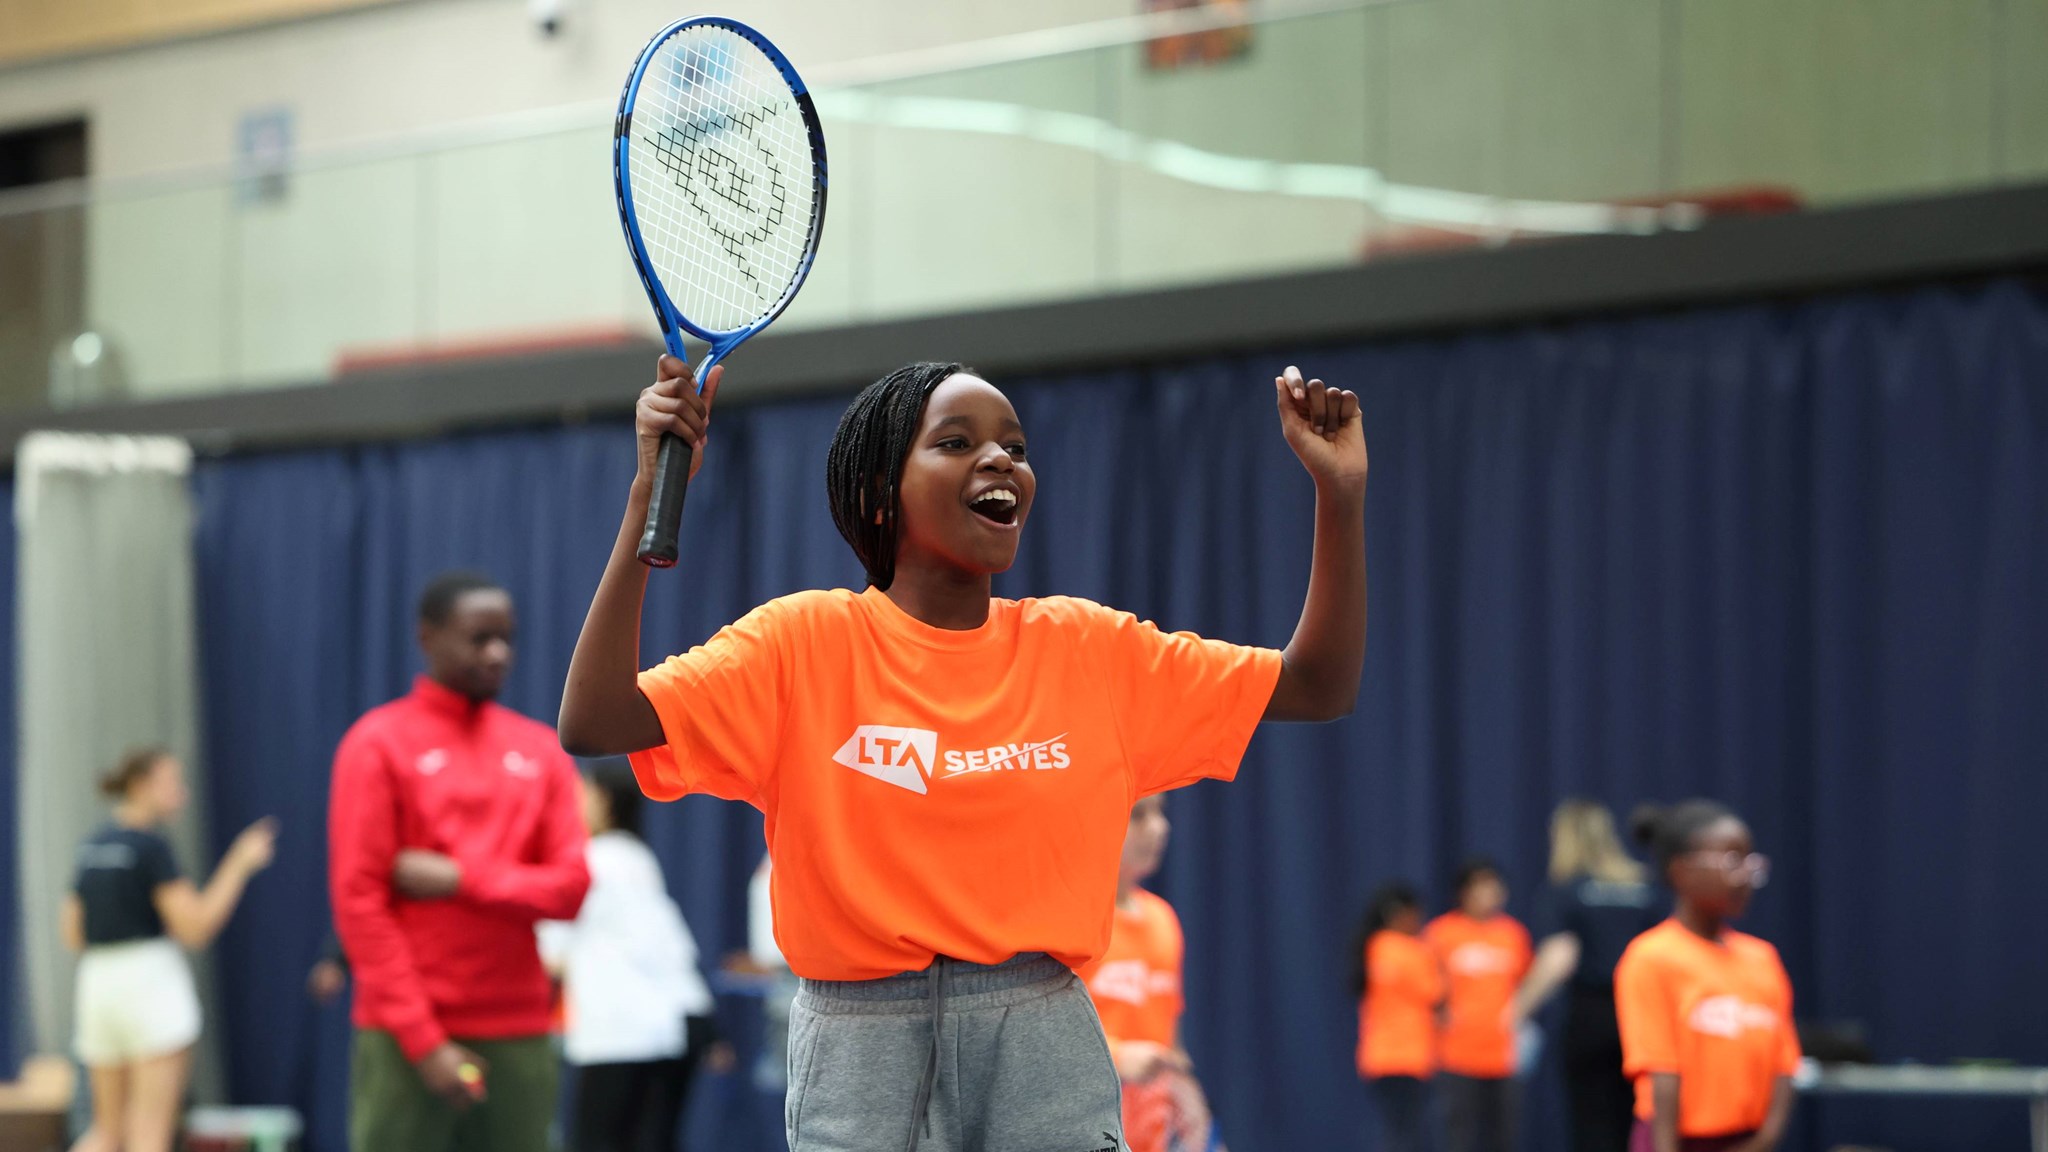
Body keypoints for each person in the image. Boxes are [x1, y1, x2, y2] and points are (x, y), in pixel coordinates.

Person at [559, 357, 1368, 1151]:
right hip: (860, 1043)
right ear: (880, 490)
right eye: (955, 441)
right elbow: (596, 719)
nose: (999, 460)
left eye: (1014, 447)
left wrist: (1341, 495)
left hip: (1042, 1032)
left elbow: (1316, 686)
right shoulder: (802, 644)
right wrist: (645, 500)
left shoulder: (1089, 649)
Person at [328, 571, 591, 1152]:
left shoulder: (539, 750)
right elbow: (359, 904)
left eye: (506, 638)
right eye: (478, 638)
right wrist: (424, 1043)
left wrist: (459, 878)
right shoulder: (378, 744)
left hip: (519, 1031)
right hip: (406, 1036)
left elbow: (569, 890)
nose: (497, 653)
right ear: (429, 638)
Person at [60, 748, 277, 1152]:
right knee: (149, 1134)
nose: (183, 795)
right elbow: (196, 928)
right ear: (142, 786)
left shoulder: (89, 847)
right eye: (173, 784)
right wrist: (240, 863)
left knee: (106, 1131)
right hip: (148, 987)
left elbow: (72, 934)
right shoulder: (151, 848)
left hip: (96, 987)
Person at [539, 760, 731, 1152]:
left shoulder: (585, 863)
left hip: (618, 1035)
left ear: (604, 802)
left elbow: (550, 954)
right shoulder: (639, 860)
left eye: (581, 794)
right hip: (676, 1029)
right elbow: (672, 948)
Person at [1614, 801, 1797, 1152]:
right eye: (1732, 860)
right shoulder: (1652, 957)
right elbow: (1661, 1070)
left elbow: (1785, 1062)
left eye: (1749, 860)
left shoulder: (1763, 958)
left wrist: (1765, 1141)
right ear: (1682, 871)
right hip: (1674, 1140)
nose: (1745, 874)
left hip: (1746, 1140)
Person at [1513, 800, 1664, 1152]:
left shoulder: (1567, 891)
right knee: (1639, 1121)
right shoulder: (1644, 888)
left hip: (1591, 1017)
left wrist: (1516, 1009)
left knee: (1592, 1123)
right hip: (1642, 1018)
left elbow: (1559, 957)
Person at [1077, 796, 1216, 1152]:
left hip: (1152, 1129)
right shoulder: (1075, 923)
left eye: (1160, 813)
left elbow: (1172, 1040)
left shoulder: (1163, 919)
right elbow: (1041, 1037)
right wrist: (1121, 1058)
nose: (1159, 828)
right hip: (1087, 1120)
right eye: (1139, 815)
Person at [1424, 858, 1531, 1152]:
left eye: (1493, 885)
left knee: (1504, 1138)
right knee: (1459, 1138)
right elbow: (1424, 986)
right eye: (1480, 885)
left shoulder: (1513, 934)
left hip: (1504, 1056)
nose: (1489, 892)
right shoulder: (1441, 933)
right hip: (1456, 1056)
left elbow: (1527, 987)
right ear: (1464, 892)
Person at [1350, 882, 1438, 1152]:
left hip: (1381, 1058)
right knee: (1405, 1135)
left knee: (1399, 1130)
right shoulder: (1401, 949)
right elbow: (1434, 991)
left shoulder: (1373, 947)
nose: (1419, 921)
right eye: (1414, 914)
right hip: (1404, 1059)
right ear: (1397, 914)